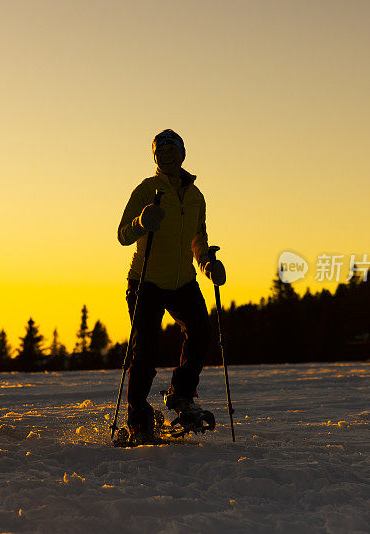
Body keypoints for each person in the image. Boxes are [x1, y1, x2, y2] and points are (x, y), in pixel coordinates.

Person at [117, 129, 226, 445]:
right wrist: (141, 221)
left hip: (183, 282)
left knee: (201, 332)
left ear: (182, 154)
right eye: (160, 152)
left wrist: (208, 265)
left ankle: (180, 395)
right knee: (145, 351)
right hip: (145, 281)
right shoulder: (146, 190)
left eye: (172, 151)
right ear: (155, 157)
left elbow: (198, 241)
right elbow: (123, 234)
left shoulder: (195, 196)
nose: (167, 156)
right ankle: (138, 418)